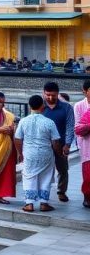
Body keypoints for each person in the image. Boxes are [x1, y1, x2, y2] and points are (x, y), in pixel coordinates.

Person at [15, 94, 62, 212]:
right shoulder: (49, 122)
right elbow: (56, 141)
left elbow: (17, 139)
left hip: (30, 154)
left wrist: (20, 153)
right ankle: (44, 203)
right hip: (46, 153)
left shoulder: (23, 121)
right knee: (46, 177)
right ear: (42, 106)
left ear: (29, 106)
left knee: (29, 176)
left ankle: (29, 203)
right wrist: (58, 153)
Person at [41, 82, 75, 202]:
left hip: (61, 144)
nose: (50, 98)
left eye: (53, 95)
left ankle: (61, 191)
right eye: (48, 95)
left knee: (62, 169)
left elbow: (70, 126)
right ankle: (43, 192)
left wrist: (68, 144)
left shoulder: (67, 107)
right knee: (43, 170)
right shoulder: (40, 107)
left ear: (58, 94)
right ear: (43, 93)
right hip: (43, 144)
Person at [73, 79, 90, 208]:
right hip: (86, 144)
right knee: (88, 174)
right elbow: (78, 128)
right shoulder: (79, 106)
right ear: (85, 92)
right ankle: (87, 197)